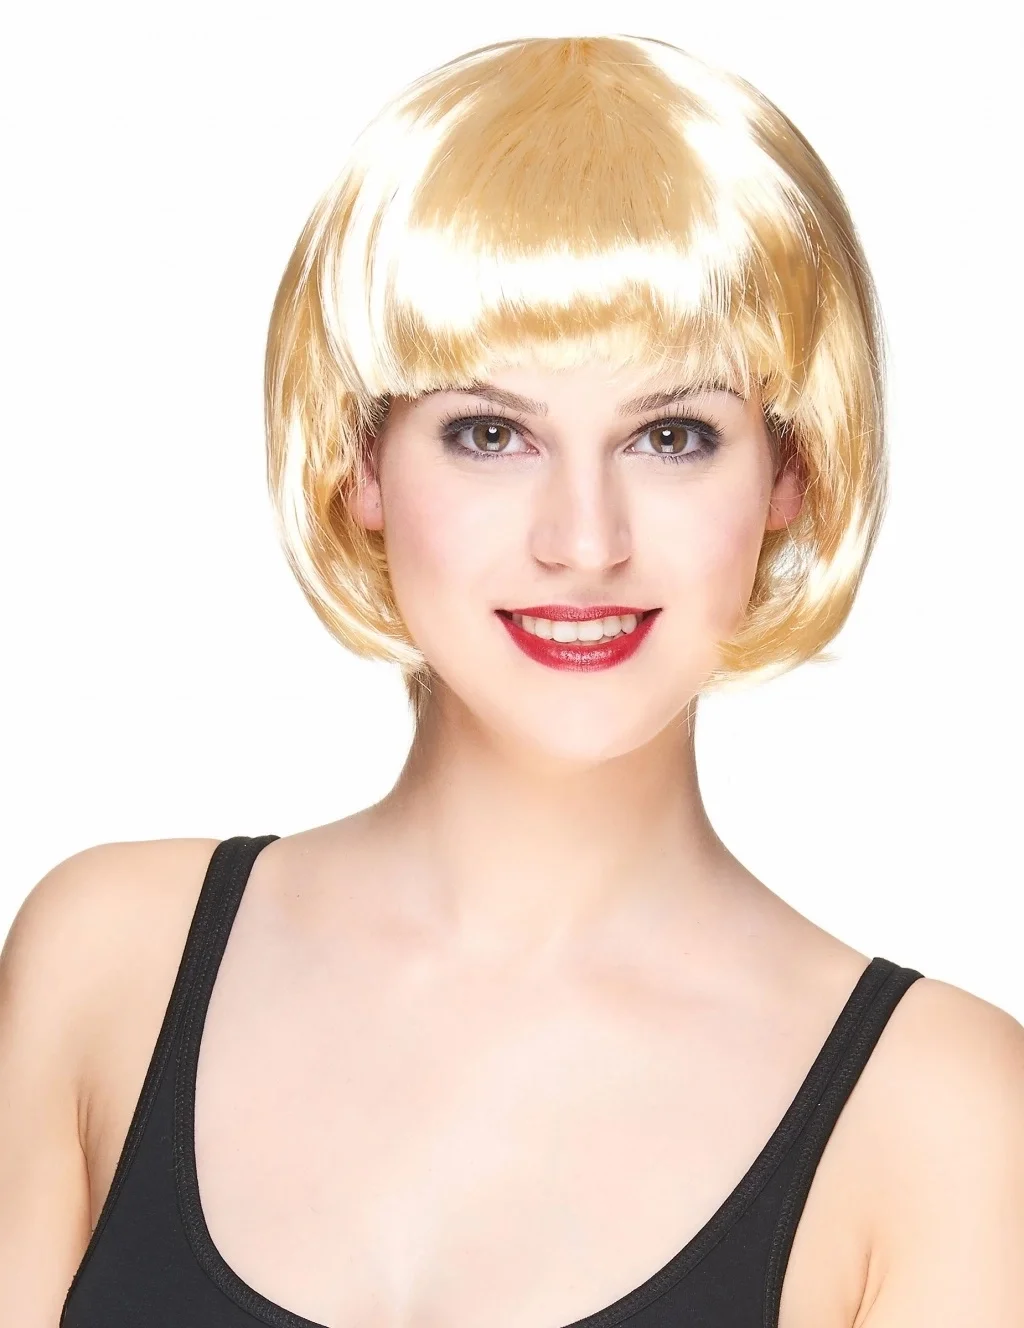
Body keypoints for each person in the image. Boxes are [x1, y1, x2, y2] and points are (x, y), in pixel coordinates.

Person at [1, 32, 1021, 1328]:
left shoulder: (938, 1117)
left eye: (672, 434)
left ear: (790, 471)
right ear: (359, 460)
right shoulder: (108, 960)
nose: (583, 541)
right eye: (489, 432)